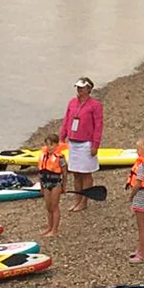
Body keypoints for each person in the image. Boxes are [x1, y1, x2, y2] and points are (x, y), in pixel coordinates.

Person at [62, 77, 103, 212]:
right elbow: (67, 120)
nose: (79, 90)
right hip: (73, 143)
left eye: (82, 88)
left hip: (86, 143)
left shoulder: (95, 106)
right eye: (78, 88)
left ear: (89, 89)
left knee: (86, 174)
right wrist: (62, 136)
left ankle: (84, 201)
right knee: (76, 173)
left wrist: (95, 145)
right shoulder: (72, 103)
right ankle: (77, 199)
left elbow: (98, 126)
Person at [37, 133, 67, 238]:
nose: (50, 147)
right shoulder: (42, 156)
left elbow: (64, 172)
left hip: (55, 184)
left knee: (54, 207)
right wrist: (41, 186)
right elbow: (40, 173)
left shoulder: (60, 158)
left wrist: (64, 185)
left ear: (56, 145)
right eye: (48, 145)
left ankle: (55, 230)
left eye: (52, 145)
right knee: (48, 207)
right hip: (45, 184)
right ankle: (49, 227)